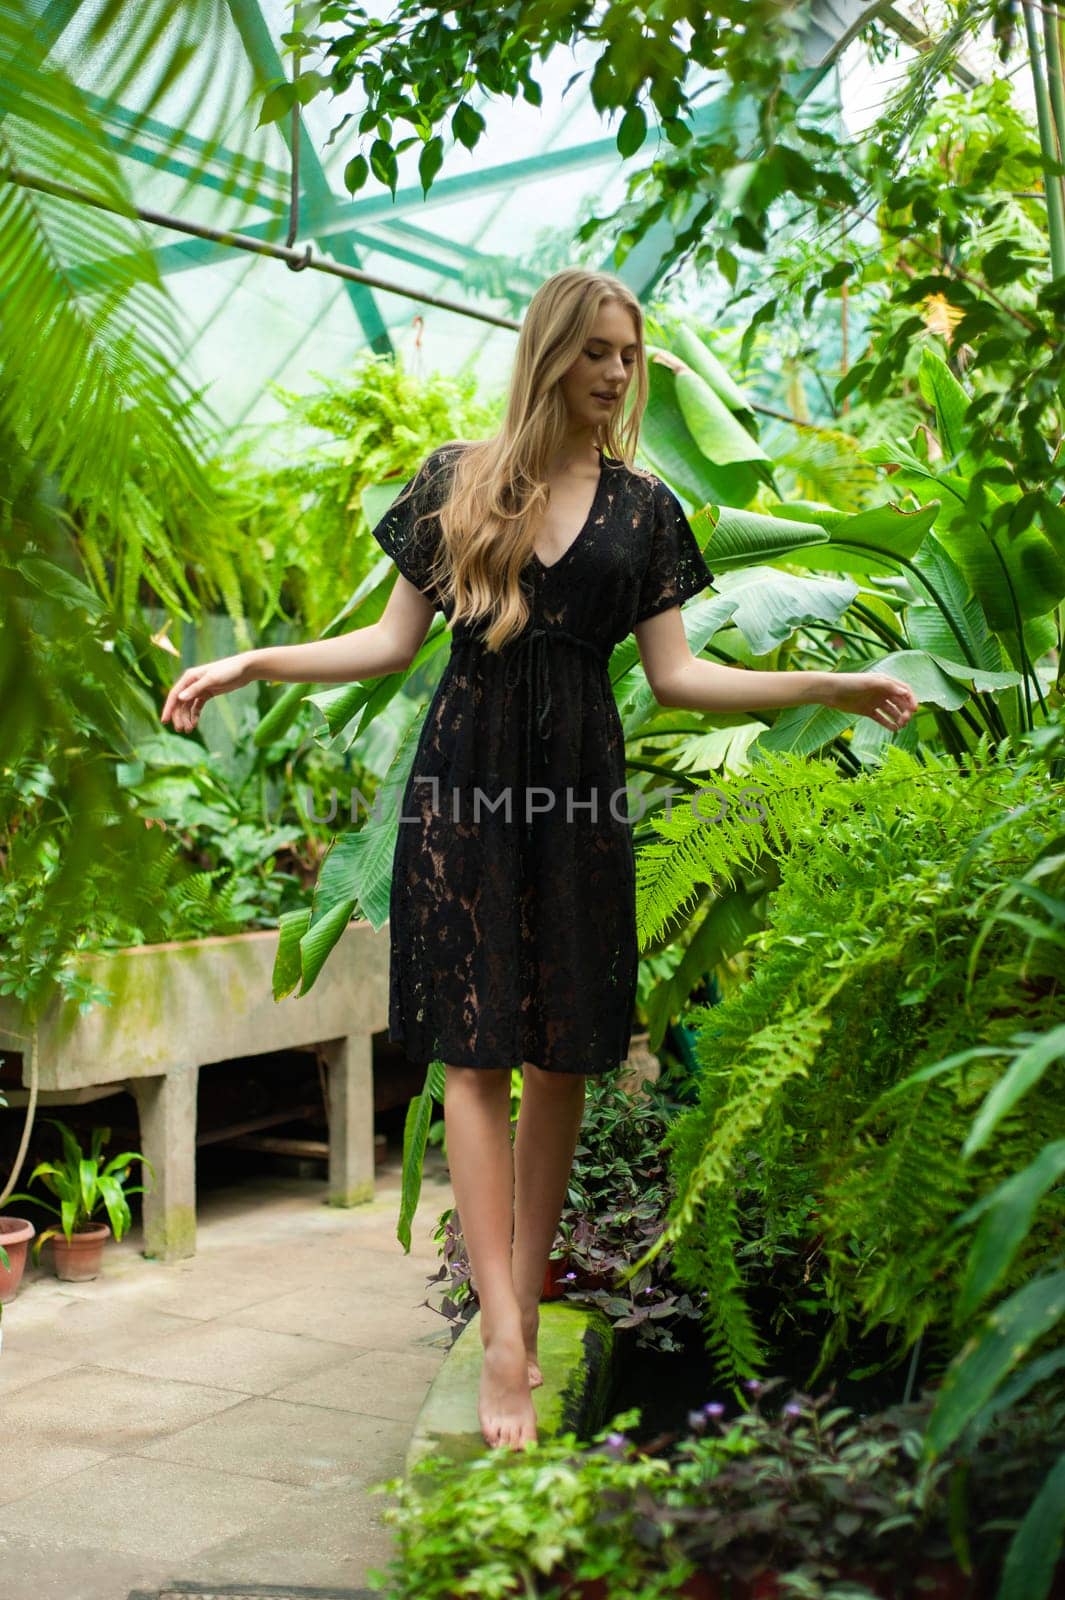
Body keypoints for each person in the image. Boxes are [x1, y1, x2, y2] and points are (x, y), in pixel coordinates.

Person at [160, 267, 918, 1453]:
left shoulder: (647, 509)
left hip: (576, 806)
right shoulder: (458, 482)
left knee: (561, 1054)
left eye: (629, 355)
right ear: (551, 353)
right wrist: (252, 663)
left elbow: (680, 677)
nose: (617, 375)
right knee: (473, 1056)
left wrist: (824, 682)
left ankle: (524, 1296)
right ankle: (507, 1337)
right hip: (465, 790)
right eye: (598, 352)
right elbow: (387, 643)